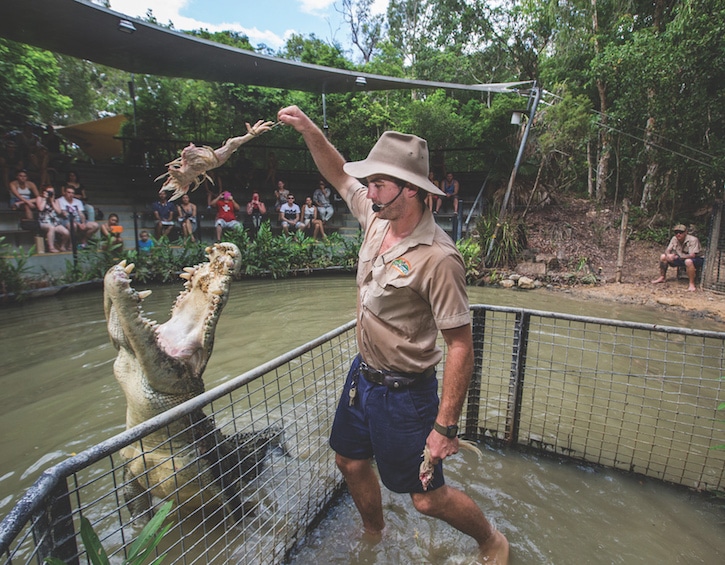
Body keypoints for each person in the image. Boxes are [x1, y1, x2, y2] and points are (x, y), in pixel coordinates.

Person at [277, 105, 510, 563]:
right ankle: (374, 531)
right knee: (349, 460)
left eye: (379, 183)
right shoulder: (376, 215)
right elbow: (340, 174)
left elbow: (460, 344)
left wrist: (444, 428)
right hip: (362, 376)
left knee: (425, 496)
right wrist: (309, 130)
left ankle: (492, 540)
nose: (369, 190)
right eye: (372, 183)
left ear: (411, 191)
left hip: (406, 393)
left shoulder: (439, 258)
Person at [651, 224, 704, 291]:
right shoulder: (674, 238)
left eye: (681, 232)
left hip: (696, 259)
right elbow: (667, 250)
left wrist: (679, 257)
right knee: (663, 257)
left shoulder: (693, 240)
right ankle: (662, 277)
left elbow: (692, 255)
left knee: (688, 261)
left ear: (685, 232)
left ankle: (691, 284)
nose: (678, 234)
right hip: (680, 258)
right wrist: (668, 255)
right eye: (676, 232)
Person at [36, 185, 70, 252]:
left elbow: (59, 211)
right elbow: (40, 208)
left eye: (52, 192)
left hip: (55, 222)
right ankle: (51, 247)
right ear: (44, 192)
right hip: (44, 221)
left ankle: (62, 246)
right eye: (49, 192)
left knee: (66, 232)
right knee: (51, 228)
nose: (51, 193)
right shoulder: (40, 198)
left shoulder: (56, 200)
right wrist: (45, 199)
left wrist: (52, 201)